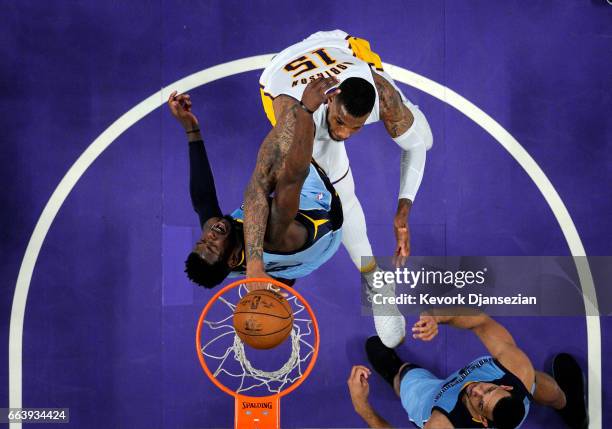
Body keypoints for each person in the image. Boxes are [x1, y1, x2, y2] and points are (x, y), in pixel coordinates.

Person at [251, 29, 434, 347]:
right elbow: (256, 189)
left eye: (356, 127)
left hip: (336, 45)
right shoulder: (295, 119)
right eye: (340, 122)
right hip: (286, 80)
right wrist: (254, 264)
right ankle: (376, 281)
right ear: (331, 100)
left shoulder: (381, 96)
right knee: (340, 194)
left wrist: (403, 212)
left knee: (423, 139)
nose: (346, 133)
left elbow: (417, 149)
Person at [167, 77, 345, 288]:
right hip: (325, 217)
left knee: (267, 252)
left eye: (202, 241)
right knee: (286, 117)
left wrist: (191, 128)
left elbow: (202, 200)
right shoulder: (271, 233)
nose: (210, 235)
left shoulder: (221, 252)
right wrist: (306, 111)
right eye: (212, 246)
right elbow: (292, 177)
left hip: (300, 264)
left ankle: (280, 273)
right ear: (232, 260)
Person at [347, 310, 588, 428]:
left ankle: (396, 370)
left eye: (481, 402)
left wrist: (362, 407)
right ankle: (568, 405)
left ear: (482, 420)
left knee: (407, 378)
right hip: (516, 395)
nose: (477, 390)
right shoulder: (516, 370)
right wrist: (436, 318)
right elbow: (481, 322)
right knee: (533, 380)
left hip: (433, 399)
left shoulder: (442, 423)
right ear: (504, 386)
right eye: (489, 390)